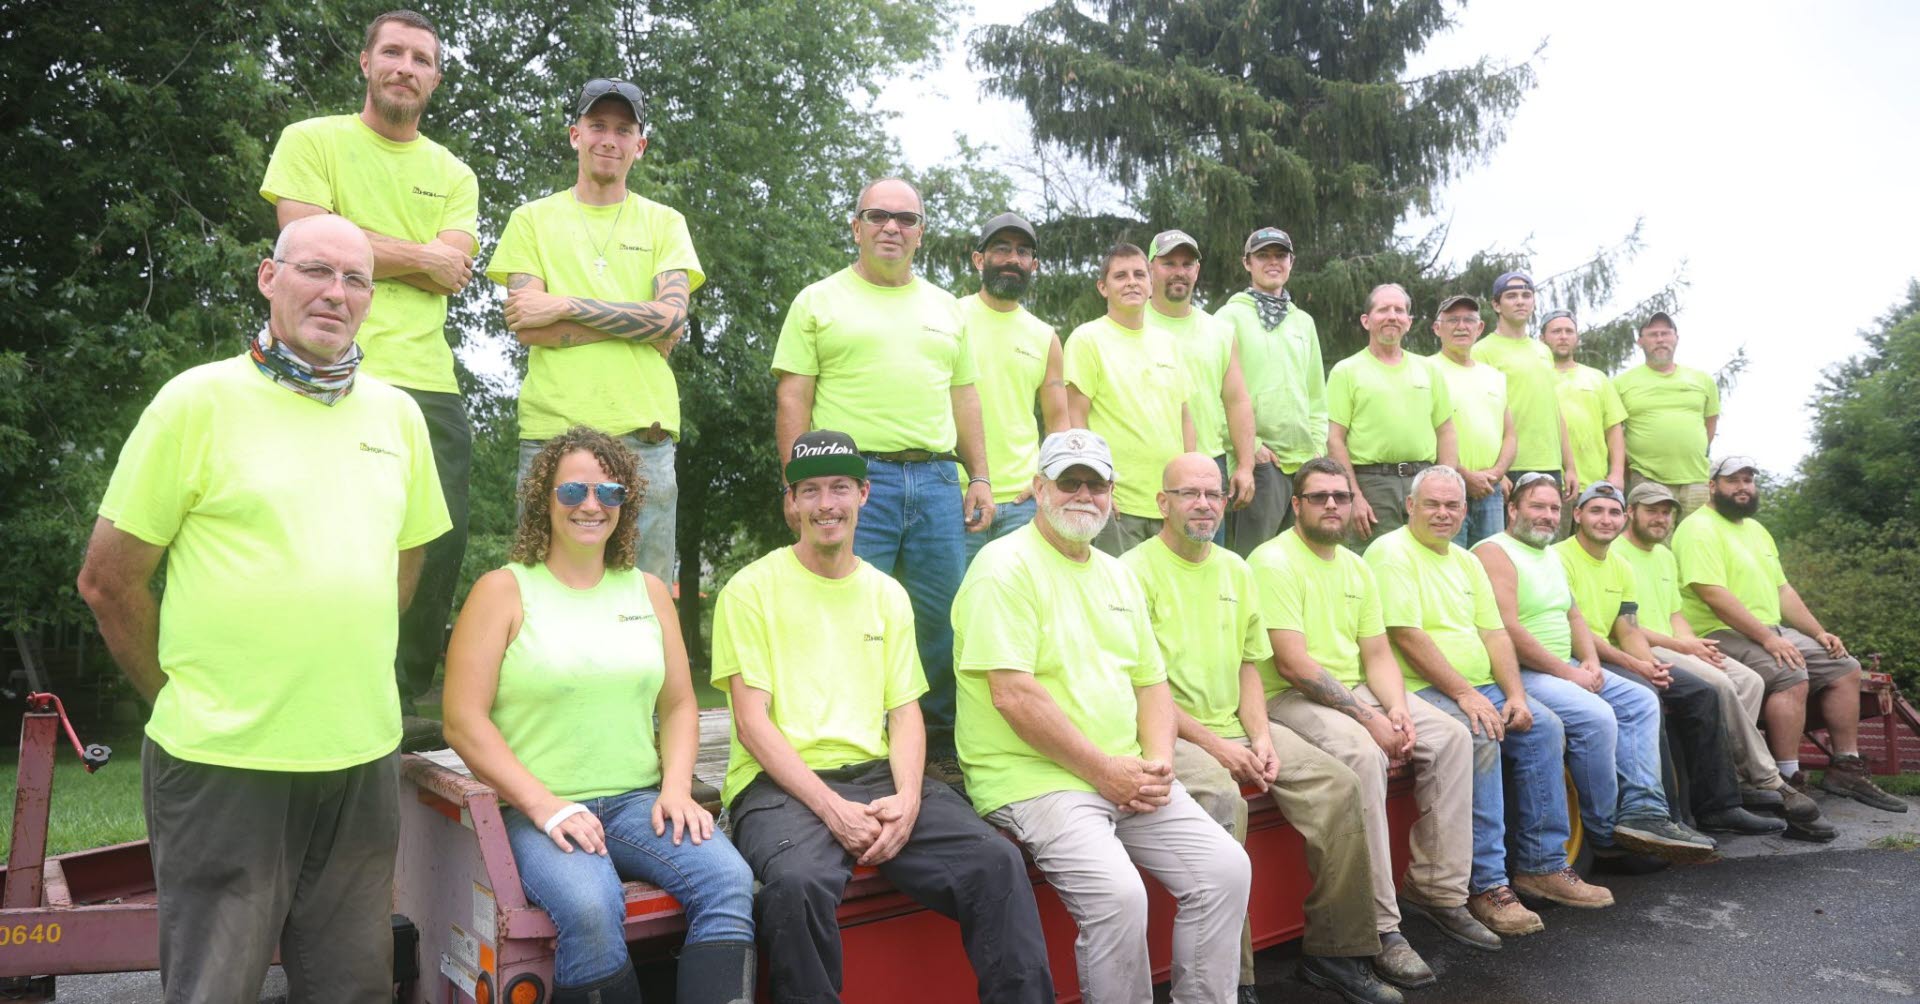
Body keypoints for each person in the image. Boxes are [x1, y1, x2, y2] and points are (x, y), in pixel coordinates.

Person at [77, 215, 450, 1002]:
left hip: (359, 758)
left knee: (354, 988)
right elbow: (108, 581)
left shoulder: (398, 417)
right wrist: (176, 697)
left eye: (356, 279)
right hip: (225, 761)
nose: (336, 293)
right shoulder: (196, 403)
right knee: (214, 986)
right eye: (315, 270)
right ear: (268, 277)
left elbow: (405, 559)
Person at [714, 431, 1055, 1004]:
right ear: (791, 502)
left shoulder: (887, 594)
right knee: (797, 886)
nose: (826, 504)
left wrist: (909, 799)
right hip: (779, 783)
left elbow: (905, 713)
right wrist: (833, 809)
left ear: (864, 494)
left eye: (840, 488)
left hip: (876, 774)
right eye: (811, 491)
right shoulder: (750, 590)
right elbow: (752, 724)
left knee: (995, 861)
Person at [442, 428, 754, 1004]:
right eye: (573, 491)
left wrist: (677, 790)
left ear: (625, 504)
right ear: (544, 499)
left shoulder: (649, 591)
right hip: (539, 809)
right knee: (590, 906)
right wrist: (545, 806)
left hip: (638, 802)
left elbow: (679, 703)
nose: (591, 504)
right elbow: (462, 719)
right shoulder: (503, 590)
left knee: (729, 880)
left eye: (609, 492)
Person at [955, 431, 1249, 1004]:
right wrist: (1103, 771)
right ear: (1039, 488)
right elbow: (1013, 696)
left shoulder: (1117, 575)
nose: (1084, 495)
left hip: (1125, 772)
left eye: (1096, 483)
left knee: (1226, 870)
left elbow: (1151, 684)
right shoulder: (1003, 567)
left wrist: (1158, 763)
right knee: (1119, 896)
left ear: (1113, 494)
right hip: (1034, 778)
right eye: (1070, 481)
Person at [261, 9, 477, 713]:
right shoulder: (310, 140)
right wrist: (418, 256)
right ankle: (299, 688)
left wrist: (350, 238)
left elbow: (454, 269)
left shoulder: (454, 174)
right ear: (365, 61)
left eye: (421, 59)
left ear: (435, 78)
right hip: (316, 369)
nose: (405, 68)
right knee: (311, 527)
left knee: (436, 539)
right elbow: (303, 242)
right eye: (393, 52)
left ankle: (400, 699)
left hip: (427, 382)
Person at [1124, 454, 1400, 1004]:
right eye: (1189, 494)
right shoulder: (1132, 572)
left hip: (1237, 725)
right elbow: (1141, 688)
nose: (1204, 504)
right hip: (1168, 732)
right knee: (1224, 799)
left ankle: (1335, 953)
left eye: (1213, 494)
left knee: (1339, 786)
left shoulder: (1235, 569)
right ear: (1162, 503)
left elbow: (1250, 665)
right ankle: (1236, 979)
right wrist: (1219, 747)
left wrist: (1262, 737)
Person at [771, 177, 994, 773]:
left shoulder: (947, 308)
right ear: (856, 227)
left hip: (937, 479)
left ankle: (938, 751)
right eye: (877, 216)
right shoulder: (817, 301)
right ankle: (849, 741)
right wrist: (796, 485)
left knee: (941, 618)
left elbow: (965, 397)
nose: (892, 227)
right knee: (844, 610)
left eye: (906, 218)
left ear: (921, 232)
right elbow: (793, 398)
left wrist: (980, 477)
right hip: (850, 481)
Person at [1254, 459, 1491, 991]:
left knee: (1451, 736)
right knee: (1363, 754)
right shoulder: (1273, 561)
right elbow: (1292, 664)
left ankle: (1438, 890)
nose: (1332, 505)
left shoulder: (1355, 566)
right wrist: (1370, 719)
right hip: (1289, 697)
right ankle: (1382, 926)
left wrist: (1397, 707)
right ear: (1296, 505)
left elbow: (1378, 653)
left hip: (1352, 688)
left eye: (1340, 496)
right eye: (1319, 497)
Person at [486, 78, 703, 583]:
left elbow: (672, 318)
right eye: (598, 125)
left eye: (623, 130)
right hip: (551, 435)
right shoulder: (531, 220)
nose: (610, 139)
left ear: (639, 145)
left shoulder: (665, 222)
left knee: (644, 596)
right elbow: (528, 326)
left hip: (644, 438)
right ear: (575, 135)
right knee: (541, 589)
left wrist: (564, 304)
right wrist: (637, 327)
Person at [1370, 466, 1598, 936]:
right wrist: (1466, 694)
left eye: (1453, 505)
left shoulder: (1465, 559)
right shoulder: (1391, 552)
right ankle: (1486, 884)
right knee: (1481, 733)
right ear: (1410, 506)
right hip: (1416, 687)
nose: (1443, 513)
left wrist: (1515, 694)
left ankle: (1542, 865)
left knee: (1544, 726)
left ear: (1464, 511)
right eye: (1432, 504)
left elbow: (1495, 633)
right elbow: (1407, 637)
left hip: (1475, 685)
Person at [1473, 474, 1719, 867]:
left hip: (1565, 665)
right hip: (1522, 671)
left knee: (1641, 700)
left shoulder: (1548, 554)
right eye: (1537, 506)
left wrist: (1588, 658)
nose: (1547, 515)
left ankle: (1644, 813)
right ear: (1512, 508)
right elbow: (1508, 628)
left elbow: (1573, 615)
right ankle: (1607, 833)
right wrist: (1569, 673)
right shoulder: (1494, 552)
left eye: (1554, 508)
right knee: (1597, 716)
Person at [1672, 456, 1907, 812]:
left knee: (1845, 667)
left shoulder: (1756, 530)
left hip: (1771, 628)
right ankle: (1787, 778)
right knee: (1789, 672)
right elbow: (1713, 595)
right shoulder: (1697, 528)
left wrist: (1819, 632)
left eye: (1748, 480)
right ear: (1712, 486)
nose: (1743, 487)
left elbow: (1783, 590)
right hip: (1718, 630)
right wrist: (1768, 639)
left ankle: (1846, 768)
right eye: (1733, 480)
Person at [1551, 482, 1784, 837]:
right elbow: (1578, 631)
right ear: (1578, 515)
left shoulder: (1619, 565)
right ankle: (1670, 818)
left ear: (1623, 517)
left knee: (1701, 693)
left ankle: (1720, 807)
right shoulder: (1559, 558)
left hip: (1616, 653)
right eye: (1596, 511)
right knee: (1650, 699)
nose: (1605, 519)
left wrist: (1651, 665)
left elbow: (1628, 628)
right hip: (1578, 655)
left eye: (1613, 512)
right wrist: (1639, 667)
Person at [1617, 482, 1835, 840]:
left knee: (1749, 680)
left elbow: (1675, 614)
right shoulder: (1618, 554)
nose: (1660, 519)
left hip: (1674, 642)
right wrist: (1682, 646)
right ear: (1631, 512)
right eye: (1651, 511)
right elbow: (1626, 627)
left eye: (1666, 512)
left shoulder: (1665, 557)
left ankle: (1733, 777)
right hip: (1642, 646)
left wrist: (1693, 643)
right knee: (1718, 683)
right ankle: (1769, 779)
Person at [1063, 243, 1196, 555]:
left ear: (1151, 284)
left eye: (1139, 274)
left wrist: (1191, 483)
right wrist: (1096, 485)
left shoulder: (1169, 344)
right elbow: (1075, 420)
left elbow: (1184, 418)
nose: (1132, 282)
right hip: (1118, 505)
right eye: (1120, 276)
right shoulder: (1087, 339)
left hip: (1170, 503)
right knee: (1117, 587)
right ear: (1103, 287)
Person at [961, 211, 1068, 560]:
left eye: (1023, 252)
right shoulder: (950, 318)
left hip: (1024, 503)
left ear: (1033, 265)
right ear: (979, 259)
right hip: (957, 495)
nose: (1013, 259)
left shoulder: (1045, 336)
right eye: (1002, 248)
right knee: (956, 595)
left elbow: (1058, 422)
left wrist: (1047, 480)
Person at [1214, 227, 1324, 556]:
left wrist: (1317, 449)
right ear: (1247, 263)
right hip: (1260, 464)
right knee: (1254, 559)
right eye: (1263, 256)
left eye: (1280, 255)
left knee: (1298, 560)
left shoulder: (1304, 322)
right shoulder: (1228, 317)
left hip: (1303, 464)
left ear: (1291, 262)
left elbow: (1316, 397)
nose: (1272, 262)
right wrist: (1252, 449)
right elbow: (1214, 395)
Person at [1146, 229, 1258, 540]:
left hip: (1208, 470)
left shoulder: (1220, 331)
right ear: (1150, 268)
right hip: (1144, 470)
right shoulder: (1129, 323)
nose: (1179, 271)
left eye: (1187, 264)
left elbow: (1237, 401)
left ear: (1197, 270)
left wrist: (1245, 466)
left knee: (1206, 562)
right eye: (1168, 263)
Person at [1327, 284, 1459, 544]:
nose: (1392, 316)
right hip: (1371, 485)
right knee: (1374, 558)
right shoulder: (1346, 371)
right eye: (1383, 310)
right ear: (1366, 320)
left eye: (1399, 310)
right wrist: (1354, 496)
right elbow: (1334, 440)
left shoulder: (1429, 370)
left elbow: (1446, 432)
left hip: (1424, 481)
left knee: (1428, 556)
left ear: (1409, 322)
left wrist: (1445, 484)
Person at [1472, 271, 1578, 499]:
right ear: (1496, 305)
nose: (1520, 301)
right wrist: (1498, 470)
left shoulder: (1543, 351)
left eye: (1526, 295)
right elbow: (1479, 416)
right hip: (1510, 467)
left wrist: (1569, 466)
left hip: (1550, 464)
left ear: (1533, 303)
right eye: (1511, 296)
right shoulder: (1481, 351)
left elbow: (1555, 410)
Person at [1613, 312, 1720, 520]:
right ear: (1640, 342)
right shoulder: (1621, 383)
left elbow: (1710, 424)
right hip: (1648, 480)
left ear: (1676, 338)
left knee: (1697, 537)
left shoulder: (1703, 380)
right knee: (1652, 539)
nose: (1660, 339)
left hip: (1697, 480)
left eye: (1665, 333)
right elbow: (1614, 433)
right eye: (1653, 334)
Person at [1430, 294, 1515, 548]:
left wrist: (1496, 474)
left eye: (1469, 320)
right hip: (1445, 490)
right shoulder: (1426, 370)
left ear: (1480, 328)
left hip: (1490, 492)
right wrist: (1464, 474)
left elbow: (1510, 434)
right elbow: (1423, 432)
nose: (1461, 326)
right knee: (1446, 561)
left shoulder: (1495, 377)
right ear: (1437, 328)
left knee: (1489, 563)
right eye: (1452, 320)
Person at [1543, 311, 1626, 501]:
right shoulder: (1535, 377)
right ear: (1542, 339)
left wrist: (1617, 473)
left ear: (1577, 338)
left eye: (1569, 331)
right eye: (1556, 331)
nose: (1563, 336)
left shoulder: (1598, 378)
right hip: (1548, 484)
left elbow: (1614, 429)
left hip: (1595, 484)